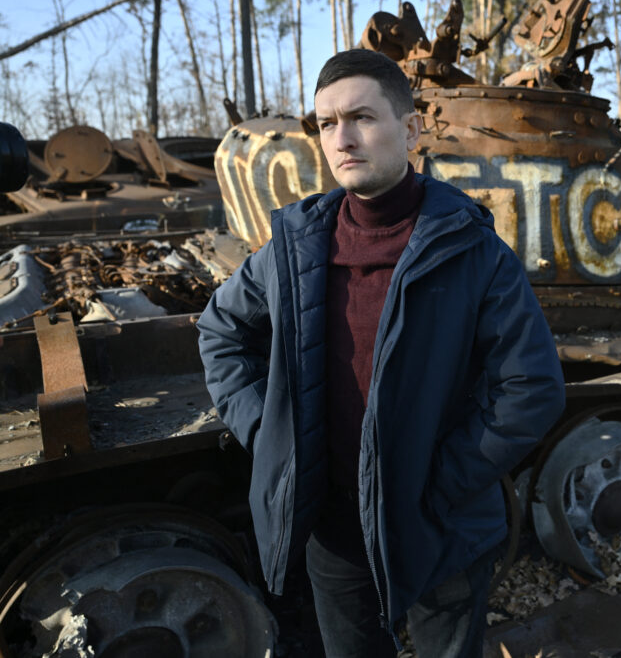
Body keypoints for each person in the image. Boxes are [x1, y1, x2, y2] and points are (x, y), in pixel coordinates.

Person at [197, 48, 565, 657]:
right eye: (326, 123)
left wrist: (439, 485)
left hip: (437, 526)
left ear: (411, 128)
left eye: (363, 117)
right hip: (334, 530)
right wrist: (271, 434)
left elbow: (531, 389)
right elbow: (221, 332)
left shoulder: (471, 250)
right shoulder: (292, 246)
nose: (342, 138)